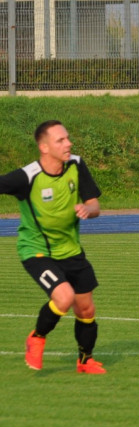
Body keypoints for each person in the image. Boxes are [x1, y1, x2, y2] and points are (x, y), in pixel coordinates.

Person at [0, 121, 106, 374]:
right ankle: (36, 338)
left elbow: (95, 205)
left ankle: (85, 360)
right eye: (60, 140)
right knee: (64, 297)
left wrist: (87, 209)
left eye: (67, 138)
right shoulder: (26, 177)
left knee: (86, 308)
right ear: (44, 147)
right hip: (37, 251)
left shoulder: (76, 165)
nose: (68, 143)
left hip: (70, 250)